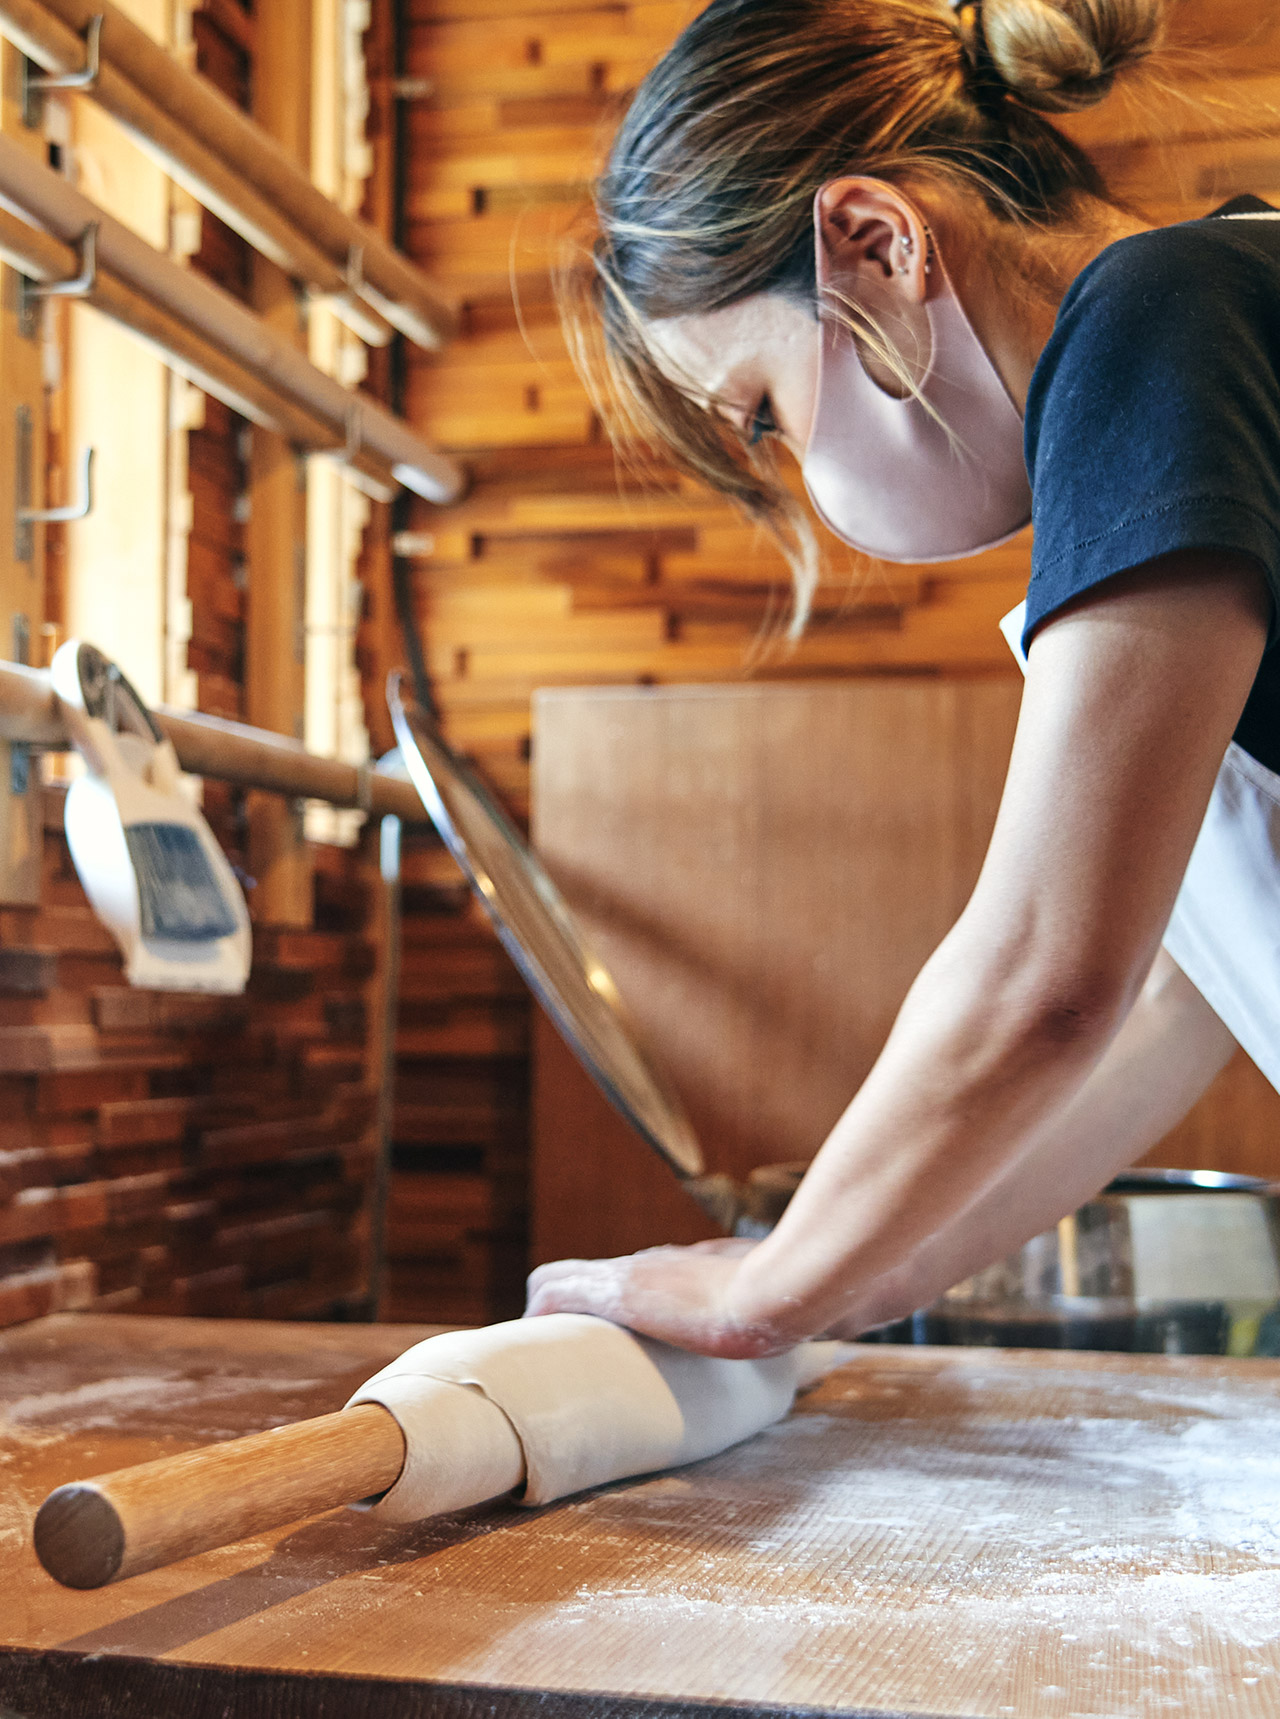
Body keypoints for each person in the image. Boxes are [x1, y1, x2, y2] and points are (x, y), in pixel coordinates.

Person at [525, 0, 1280, 1356]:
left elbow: (1045, 974)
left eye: (762, 411)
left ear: (874, 244)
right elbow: (1183, 997)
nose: (801, 482)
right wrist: (855, 1279)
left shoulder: (1161, 323)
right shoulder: (1229, 294)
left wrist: (766, 1289)